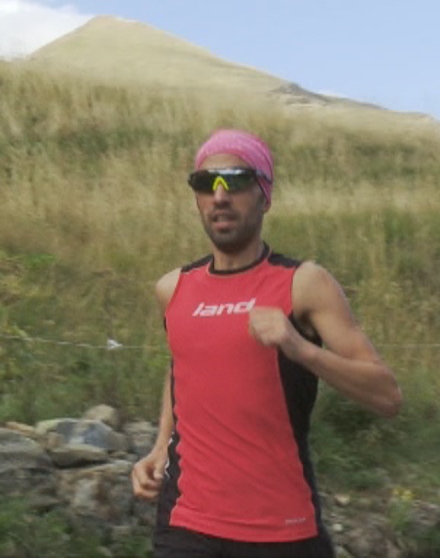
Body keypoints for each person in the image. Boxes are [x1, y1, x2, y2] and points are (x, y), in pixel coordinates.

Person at [131, 129, 402, 558]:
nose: (220, 196)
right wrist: (161, 445)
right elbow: (184, 366)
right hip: (186, 523)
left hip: (281, 531)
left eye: (235, 181)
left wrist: (300, 348)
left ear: (265, 195)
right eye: (206, 184)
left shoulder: (303, 284)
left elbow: (387, 395)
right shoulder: (174, 289)